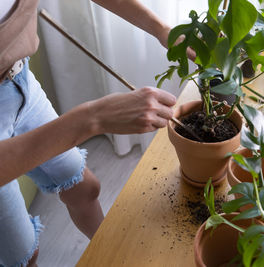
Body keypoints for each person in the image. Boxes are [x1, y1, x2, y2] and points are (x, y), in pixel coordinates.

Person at [0, 1, 189, 266]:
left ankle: (111, 256)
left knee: (85, 188)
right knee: (23, 254)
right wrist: (92, 118)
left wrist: (161, 29)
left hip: (20, 80)